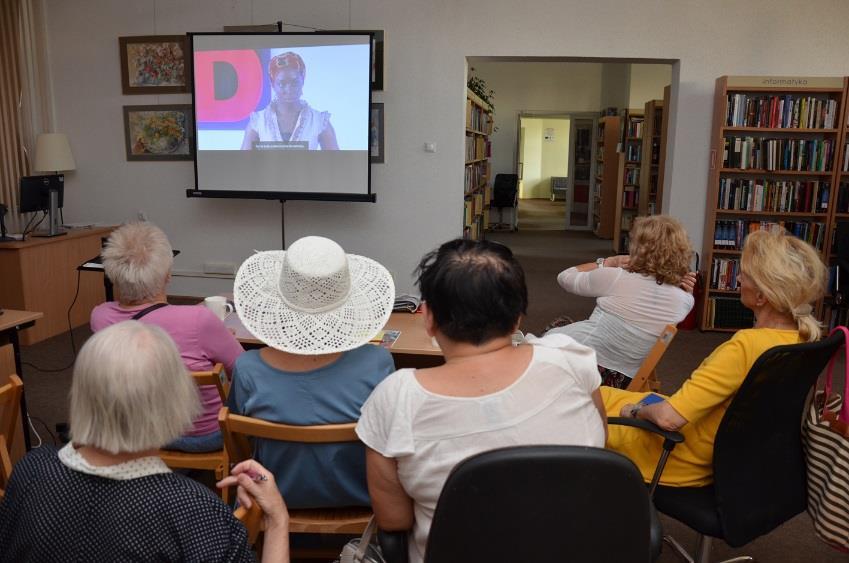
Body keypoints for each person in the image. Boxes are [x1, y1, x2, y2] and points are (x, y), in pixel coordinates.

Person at [356, 239, 607, 563]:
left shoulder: (395, 398)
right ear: (518, 317)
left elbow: (395, 520)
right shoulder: (570, 359)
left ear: (427, 318)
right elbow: (599, 446)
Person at [0, 321, 290, 562]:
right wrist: (278, 521)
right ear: (174, 401)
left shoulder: (29, 471)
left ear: (81, 393)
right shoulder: (195, 512)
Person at [604, 230, 826, 487]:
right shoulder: (802, 340)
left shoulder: (746, 346)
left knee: (580, 404)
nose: (739, 278)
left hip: (681, 457)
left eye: (744, 274)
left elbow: (668, 419)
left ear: (763, 296)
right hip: (731, 455)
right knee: (602, 394)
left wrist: (634, 410)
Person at [228, 236, 396, 508]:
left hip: (271, 500)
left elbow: (242, 442)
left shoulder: (248, 369)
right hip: (361, 499)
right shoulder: (377, 363)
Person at [90, 222, 244, 453]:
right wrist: (221, 338)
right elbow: (243, 372)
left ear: (113, 276)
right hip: (201, 437)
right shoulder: (199, 320)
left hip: (138, 431)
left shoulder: (100, 317)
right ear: (167, 276)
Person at [547, 215, 696, 388]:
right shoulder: (685, 301)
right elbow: (662, 291)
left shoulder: (617, 277)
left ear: (640, 248)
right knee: (564, 324)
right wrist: (684, 289)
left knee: (558, 325)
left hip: (582, 368)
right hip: (623, 380)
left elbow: (565, 277)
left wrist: (607, 262)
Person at [240, 52, 339, 151]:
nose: (289, 90)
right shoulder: (258, 122)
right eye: (282, 84)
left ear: (303, 80)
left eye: (294, 82)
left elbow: (336, 164)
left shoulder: (319, 121)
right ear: (272, 84)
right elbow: (242, 164)